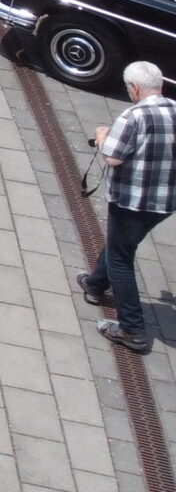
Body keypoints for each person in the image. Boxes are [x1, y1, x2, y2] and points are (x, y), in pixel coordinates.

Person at [86, 61, 176, 353]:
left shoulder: (133, 116)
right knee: (120, 244)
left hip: (131, 202)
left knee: (121, 259)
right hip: (165, 202)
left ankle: (131, 329)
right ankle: (94, 285)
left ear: (135, 88)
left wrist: (102, 138)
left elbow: (112, 158)